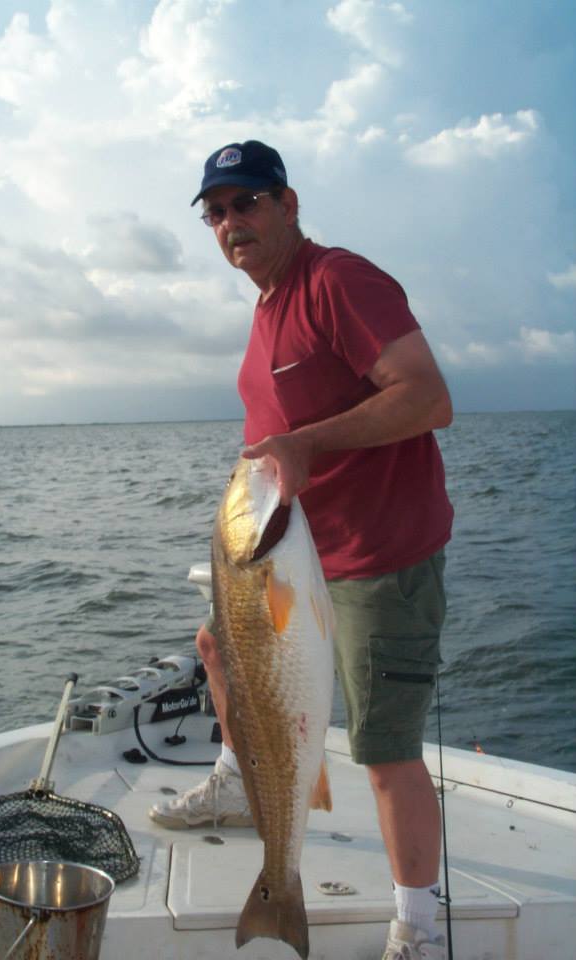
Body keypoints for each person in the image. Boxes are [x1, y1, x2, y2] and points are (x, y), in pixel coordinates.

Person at [149, 140, 454, 960]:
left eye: (245, 202)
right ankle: (242, 787)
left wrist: (304, 446)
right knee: (216, 647)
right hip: (286, 553)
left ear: (287, 204)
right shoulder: (265, 306)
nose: (229, 223)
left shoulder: (337, 281)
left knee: (384, 749)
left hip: (376, 556)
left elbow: (427, 398)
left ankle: (416, 930)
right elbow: (272, 439)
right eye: (214, 212)